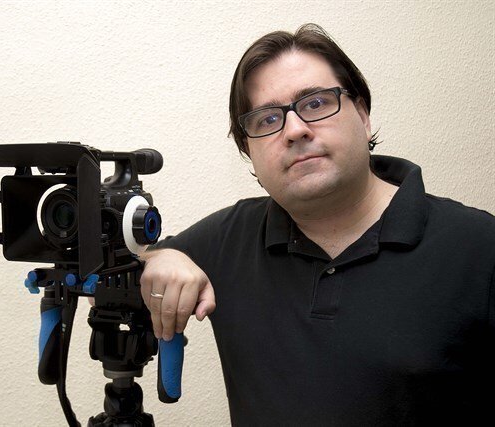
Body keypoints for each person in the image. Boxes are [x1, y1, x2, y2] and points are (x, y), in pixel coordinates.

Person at [139, 24, 495, 425]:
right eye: (267, 119)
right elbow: (113, 280)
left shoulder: (480, 248)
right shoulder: (229, 238)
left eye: (316, 103)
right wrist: (159, 257)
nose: (295, 130)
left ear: (362, 114)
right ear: (248, 151)